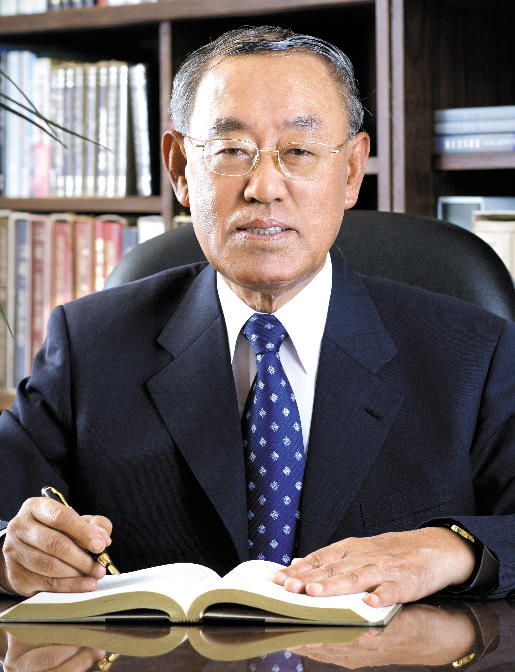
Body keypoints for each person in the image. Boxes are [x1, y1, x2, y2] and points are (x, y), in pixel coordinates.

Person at [0, 26, 513, 604]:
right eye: (231, 151)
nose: (264, 187)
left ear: (351, 171)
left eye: (299, 151)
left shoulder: (474, 354)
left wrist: (455, 548)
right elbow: (8, 516)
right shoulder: (89, 344)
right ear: (180, 168)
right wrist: (10, 554)